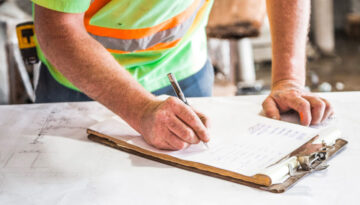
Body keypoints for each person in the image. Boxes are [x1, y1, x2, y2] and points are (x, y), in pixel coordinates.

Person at [33, 0, 333, 150]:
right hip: (84, 85)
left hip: (184, 70)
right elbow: (58, 28)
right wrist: (140, 109)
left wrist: (288, 81)